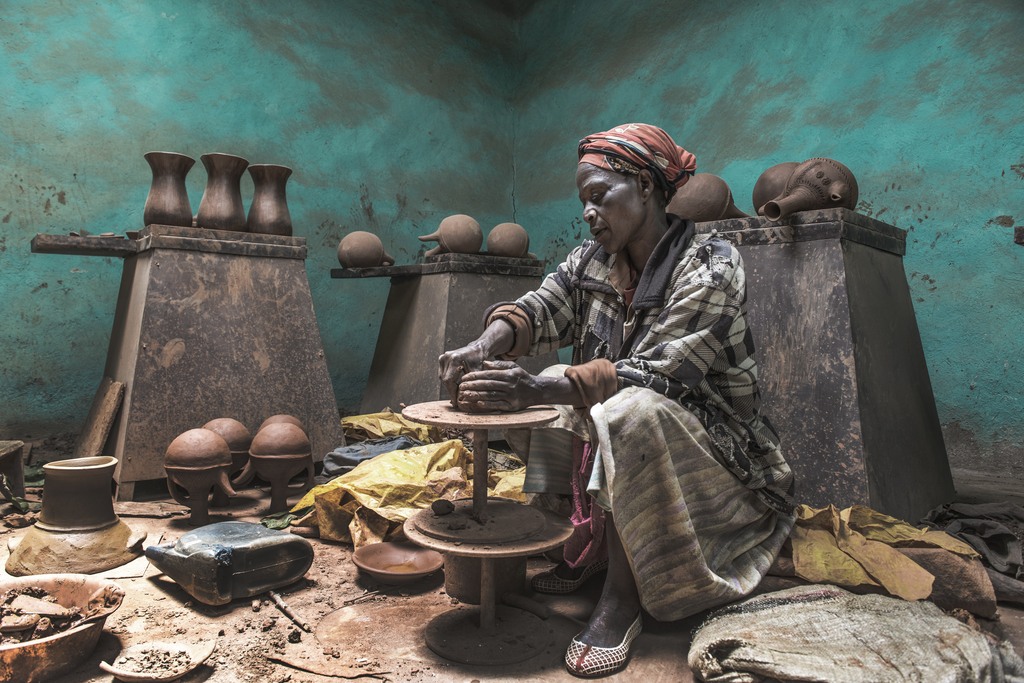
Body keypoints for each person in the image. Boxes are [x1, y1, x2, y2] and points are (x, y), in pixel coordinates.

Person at [438, 123, 796, 678]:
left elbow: (657, 375)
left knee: (625, 409)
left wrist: (534, 385)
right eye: (584, 201)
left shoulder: (712, 264)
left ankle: (623, 598)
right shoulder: (592, 261)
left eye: (600, 196)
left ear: (646, 188)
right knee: (556, 385)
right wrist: (484, 344)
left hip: (720, 457)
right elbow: (538, 309)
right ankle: (588, 547)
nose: (589, 213)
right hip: (635, 423)